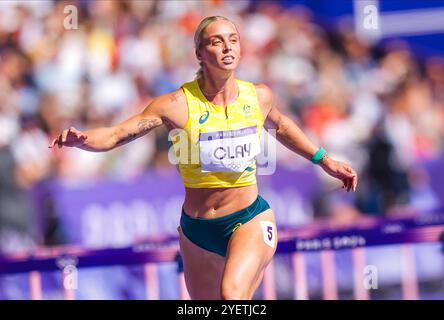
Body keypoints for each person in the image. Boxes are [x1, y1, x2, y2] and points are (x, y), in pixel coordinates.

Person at [49, 16, 358, 300]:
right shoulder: (176, 105)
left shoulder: (258, 96)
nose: (227, 47)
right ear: (199, 53)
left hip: (249, 218)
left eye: (233, 39)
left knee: (232, 295)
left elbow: (282, 125)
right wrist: (84, 140)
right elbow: (117, 135)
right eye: (216, 41)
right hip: (197, 231)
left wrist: (324, 159)